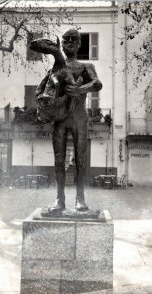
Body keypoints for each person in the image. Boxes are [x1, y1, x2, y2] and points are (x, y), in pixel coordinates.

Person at [35, 29, 102, 211]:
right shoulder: (56, 68)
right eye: (66, 39)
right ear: (61, 44)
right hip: (61, 119)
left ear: (80, 44)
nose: (70, 42)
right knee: (58, 159)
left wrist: (81, 89)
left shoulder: (85, 66)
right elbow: (43, 90)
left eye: (74, 39)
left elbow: (97, 84)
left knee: (80, 159)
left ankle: (80, 199)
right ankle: (60, 199)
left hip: (80, 117)